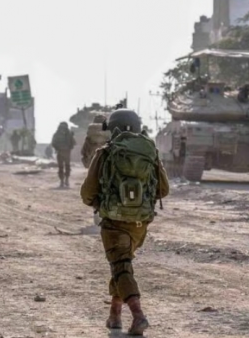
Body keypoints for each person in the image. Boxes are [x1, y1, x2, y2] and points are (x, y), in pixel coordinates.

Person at [80, 109, 169, 335]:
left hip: (114, 223)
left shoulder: (105, 152)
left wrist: (100, 203)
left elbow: (87, 193)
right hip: (140, 225)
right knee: (121, 265)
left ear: (113, 128)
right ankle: (115, 315)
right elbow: (164, 190)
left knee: (121, 267)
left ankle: (138, 316)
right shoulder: (150, 152)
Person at [51, 122, 76, 188]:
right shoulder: (60, 134)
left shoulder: (67, 134)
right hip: (63, 152)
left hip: (64, 152)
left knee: (65, 167)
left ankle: (65, 180)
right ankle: (63, 181)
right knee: (62, 167)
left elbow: (73, 143)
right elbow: (53, 143)